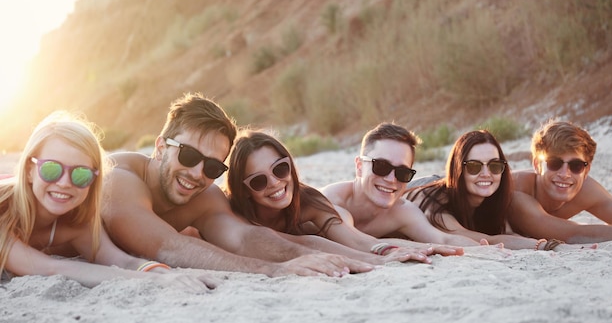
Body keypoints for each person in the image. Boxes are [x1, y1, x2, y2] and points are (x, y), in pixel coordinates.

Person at [102, 93, 374, 277]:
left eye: (212, 166)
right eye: (188, 155)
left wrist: (304, 257)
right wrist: (275, 270)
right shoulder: (119, 177)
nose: (198, 173)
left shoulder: (205, 196)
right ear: (161, 148)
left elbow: (244, 238)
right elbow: (167, 246)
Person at [0, 111, 217, 291]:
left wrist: (164, 272)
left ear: (94, 179)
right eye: (51, 169)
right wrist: (158, 281)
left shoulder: (77, 220)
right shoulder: (4, 210)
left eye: (80, 174)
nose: (65, 183)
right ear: (29, 171)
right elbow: (50, 268)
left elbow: (121, 261)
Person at [223, 130, 453, 264]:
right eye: (258, 181)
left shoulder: (309, 201)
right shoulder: (230, 213)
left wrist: (388, 253)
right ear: (243, 189)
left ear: (290, 166)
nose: (274, 183)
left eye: (280, 169)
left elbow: (355, 240)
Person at [405, 130, 593, 250]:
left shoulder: (494, 200)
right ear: (458, 170)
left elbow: (509, 235)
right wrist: (548, 246)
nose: (486, 174)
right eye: (474, 166)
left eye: (494, 166)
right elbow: (485, 240)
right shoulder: (435, 202)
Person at [320, 122, 479, 251]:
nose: (391, 179)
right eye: (381, 166)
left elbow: (443, 239)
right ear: (360, 166)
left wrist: (486, 249)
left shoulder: (402, 211)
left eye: (402, 172)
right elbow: (358, 243)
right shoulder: (330, 201)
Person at [509, 119, 612, 243]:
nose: (565, 174)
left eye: (576, 165)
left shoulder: (586, 191)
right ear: (537, 165)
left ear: (586, 171)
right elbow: (572, 234)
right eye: (554, 163)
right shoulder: (517, 190)